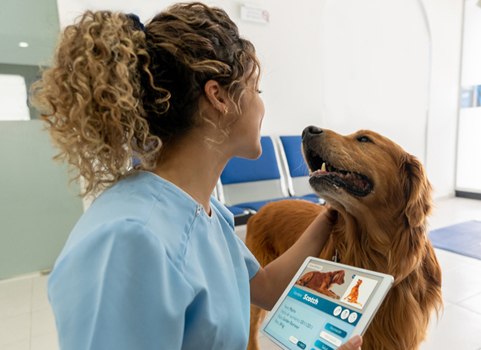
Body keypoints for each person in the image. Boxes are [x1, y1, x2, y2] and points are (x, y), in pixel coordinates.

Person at [31, 2, 362, 350]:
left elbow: (265, 287)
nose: (262, 106)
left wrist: (331, 213)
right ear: (218, 96)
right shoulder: (130, 239)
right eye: (255, 90)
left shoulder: (207, 213)